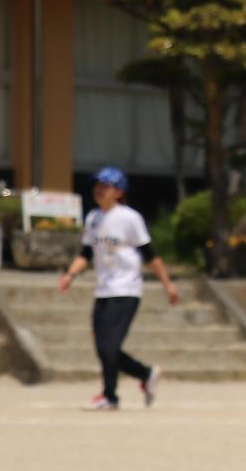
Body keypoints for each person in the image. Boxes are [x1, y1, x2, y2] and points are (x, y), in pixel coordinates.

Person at [57, 166, 179, 412]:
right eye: (97, 185)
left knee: (109, 346)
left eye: (105, 186)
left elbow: (150, 255)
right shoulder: (93, 218)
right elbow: (86, 253)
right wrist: (70, 274)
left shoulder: (129, 218)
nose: (99, 190)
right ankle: (145, 374)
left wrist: (168, 284)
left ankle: (110, 396)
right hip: (103, 290)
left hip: (126, 289)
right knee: (103, 347)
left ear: (119, 192)